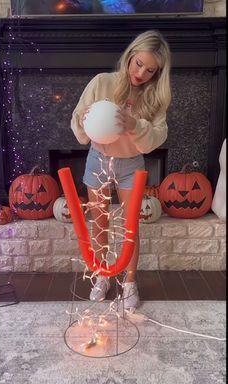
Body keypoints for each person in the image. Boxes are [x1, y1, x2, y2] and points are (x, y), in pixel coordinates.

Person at [71, 30, 171, 309]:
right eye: (138, 63)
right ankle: (102, 276)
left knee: (130, 228)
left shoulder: (155, 98)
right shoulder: (102, 82)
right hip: (98, 159)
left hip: (131, 165)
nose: (141, 73)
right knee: (100, 223)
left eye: (150, 70)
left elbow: (156, 138)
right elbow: (78, 125)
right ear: (130, 56)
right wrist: (84, 117)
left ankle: (129, 282)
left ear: (158, 73)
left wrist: (134, 125)